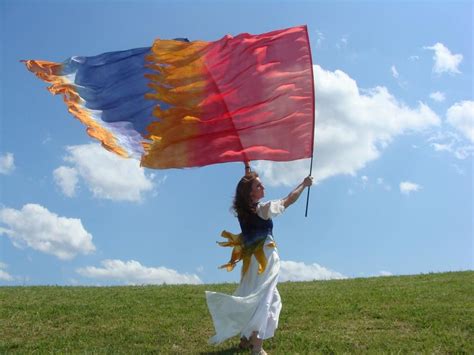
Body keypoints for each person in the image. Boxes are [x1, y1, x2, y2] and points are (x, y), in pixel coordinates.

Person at [205, 166, 313, 354]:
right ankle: (257, 348)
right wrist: (303, 185)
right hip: (266, 259)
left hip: (252, 261)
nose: (263, 187)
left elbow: (246, 191)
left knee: (255, 295)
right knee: (267, 300)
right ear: (251, 194)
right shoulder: (264, 209)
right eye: (258, 186)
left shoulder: (244, 212)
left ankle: (246, 339)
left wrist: (248, 172)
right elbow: (288, 200)